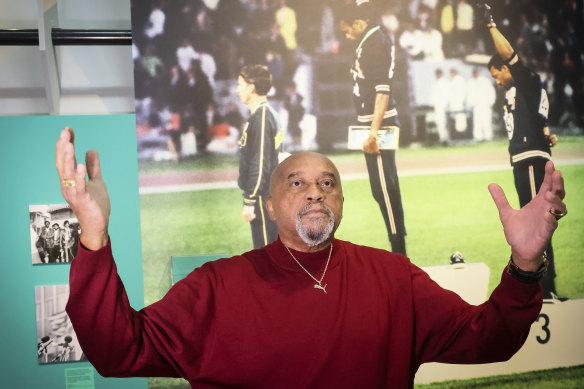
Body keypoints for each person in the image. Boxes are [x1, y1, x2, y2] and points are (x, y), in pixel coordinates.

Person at [56, 127, 566, 388]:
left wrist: (524, 265)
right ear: (271, 204)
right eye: (296, 184)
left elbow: (490, 339)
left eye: (328, 184)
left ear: (342, 201)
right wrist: (94, 235)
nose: (315, 193)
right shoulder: (218, 287)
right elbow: (119, 350)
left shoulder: (393, 278)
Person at [482, 3, 560, 299]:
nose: (497, 80)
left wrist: (490, 25)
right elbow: (539, 118)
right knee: (534, 224)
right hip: (525, 159)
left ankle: (547, 288)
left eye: (496, 74)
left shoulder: (525, 80)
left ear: (505, 68)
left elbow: (510, 55)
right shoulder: (519, 91)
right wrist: (545, 133)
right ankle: (544, 286)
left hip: (529, 161)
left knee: (536, 225)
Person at [339, 1, 407, 255]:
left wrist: (373, 132)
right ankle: (399, 250)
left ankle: (399, 253)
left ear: (359, 23)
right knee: (382, 190)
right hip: (373, 123)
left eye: (347, 29)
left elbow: (382, 91)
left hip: (378, 125)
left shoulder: (375, 42)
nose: (346, 34)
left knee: (385, 191)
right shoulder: (371, 39)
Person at [236, 65, 284, 249]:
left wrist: (249, 200)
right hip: (270, 196)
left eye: (240, 84)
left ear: (251, 87)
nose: (237, 89)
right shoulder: (265, 114)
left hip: (263, 198)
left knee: (266, 258)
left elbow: (260, 161)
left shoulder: (262, 116)